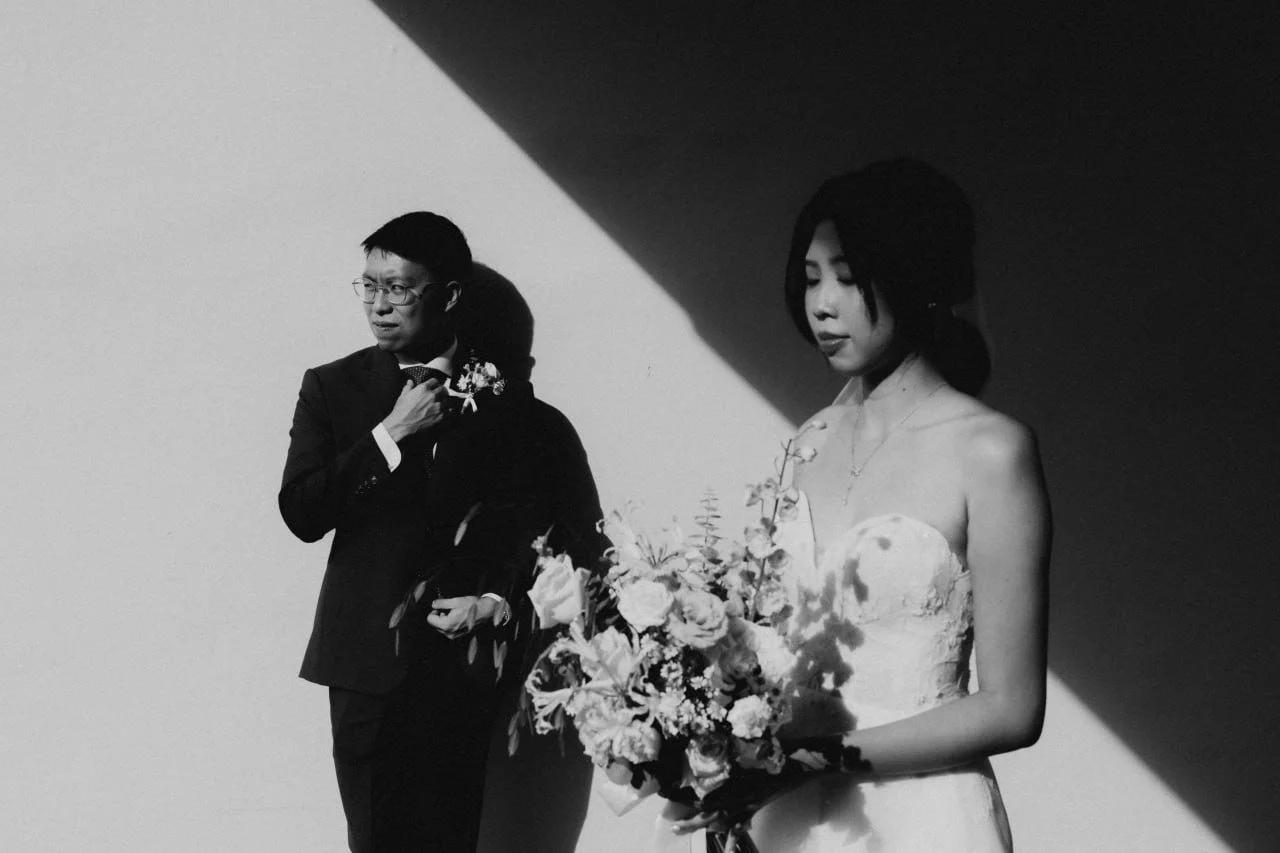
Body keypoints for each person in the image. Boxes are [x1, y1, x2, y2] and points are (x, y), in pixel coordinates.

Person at [670, 159, 1051, 851]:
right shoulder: (807, 442)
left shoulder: (990, 450)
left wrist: (814, 761)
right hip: (783, 818)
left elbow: (1013, 707)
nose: (822, 304)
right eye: (811, 278)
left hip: (921, 819)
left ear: (915, 278)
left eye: (847, 278)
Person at [279, 212, 603, 852]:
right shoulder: (331, 388)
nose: (378, 305)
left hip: (461, 668)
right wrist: (391, 432)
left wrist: (498, 603)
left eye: (398, 288)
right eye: (369, 286)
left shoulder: (512, 404)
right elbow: (302, 513)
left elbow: (559, 532)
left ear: (448, 295)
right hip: (363, 665)